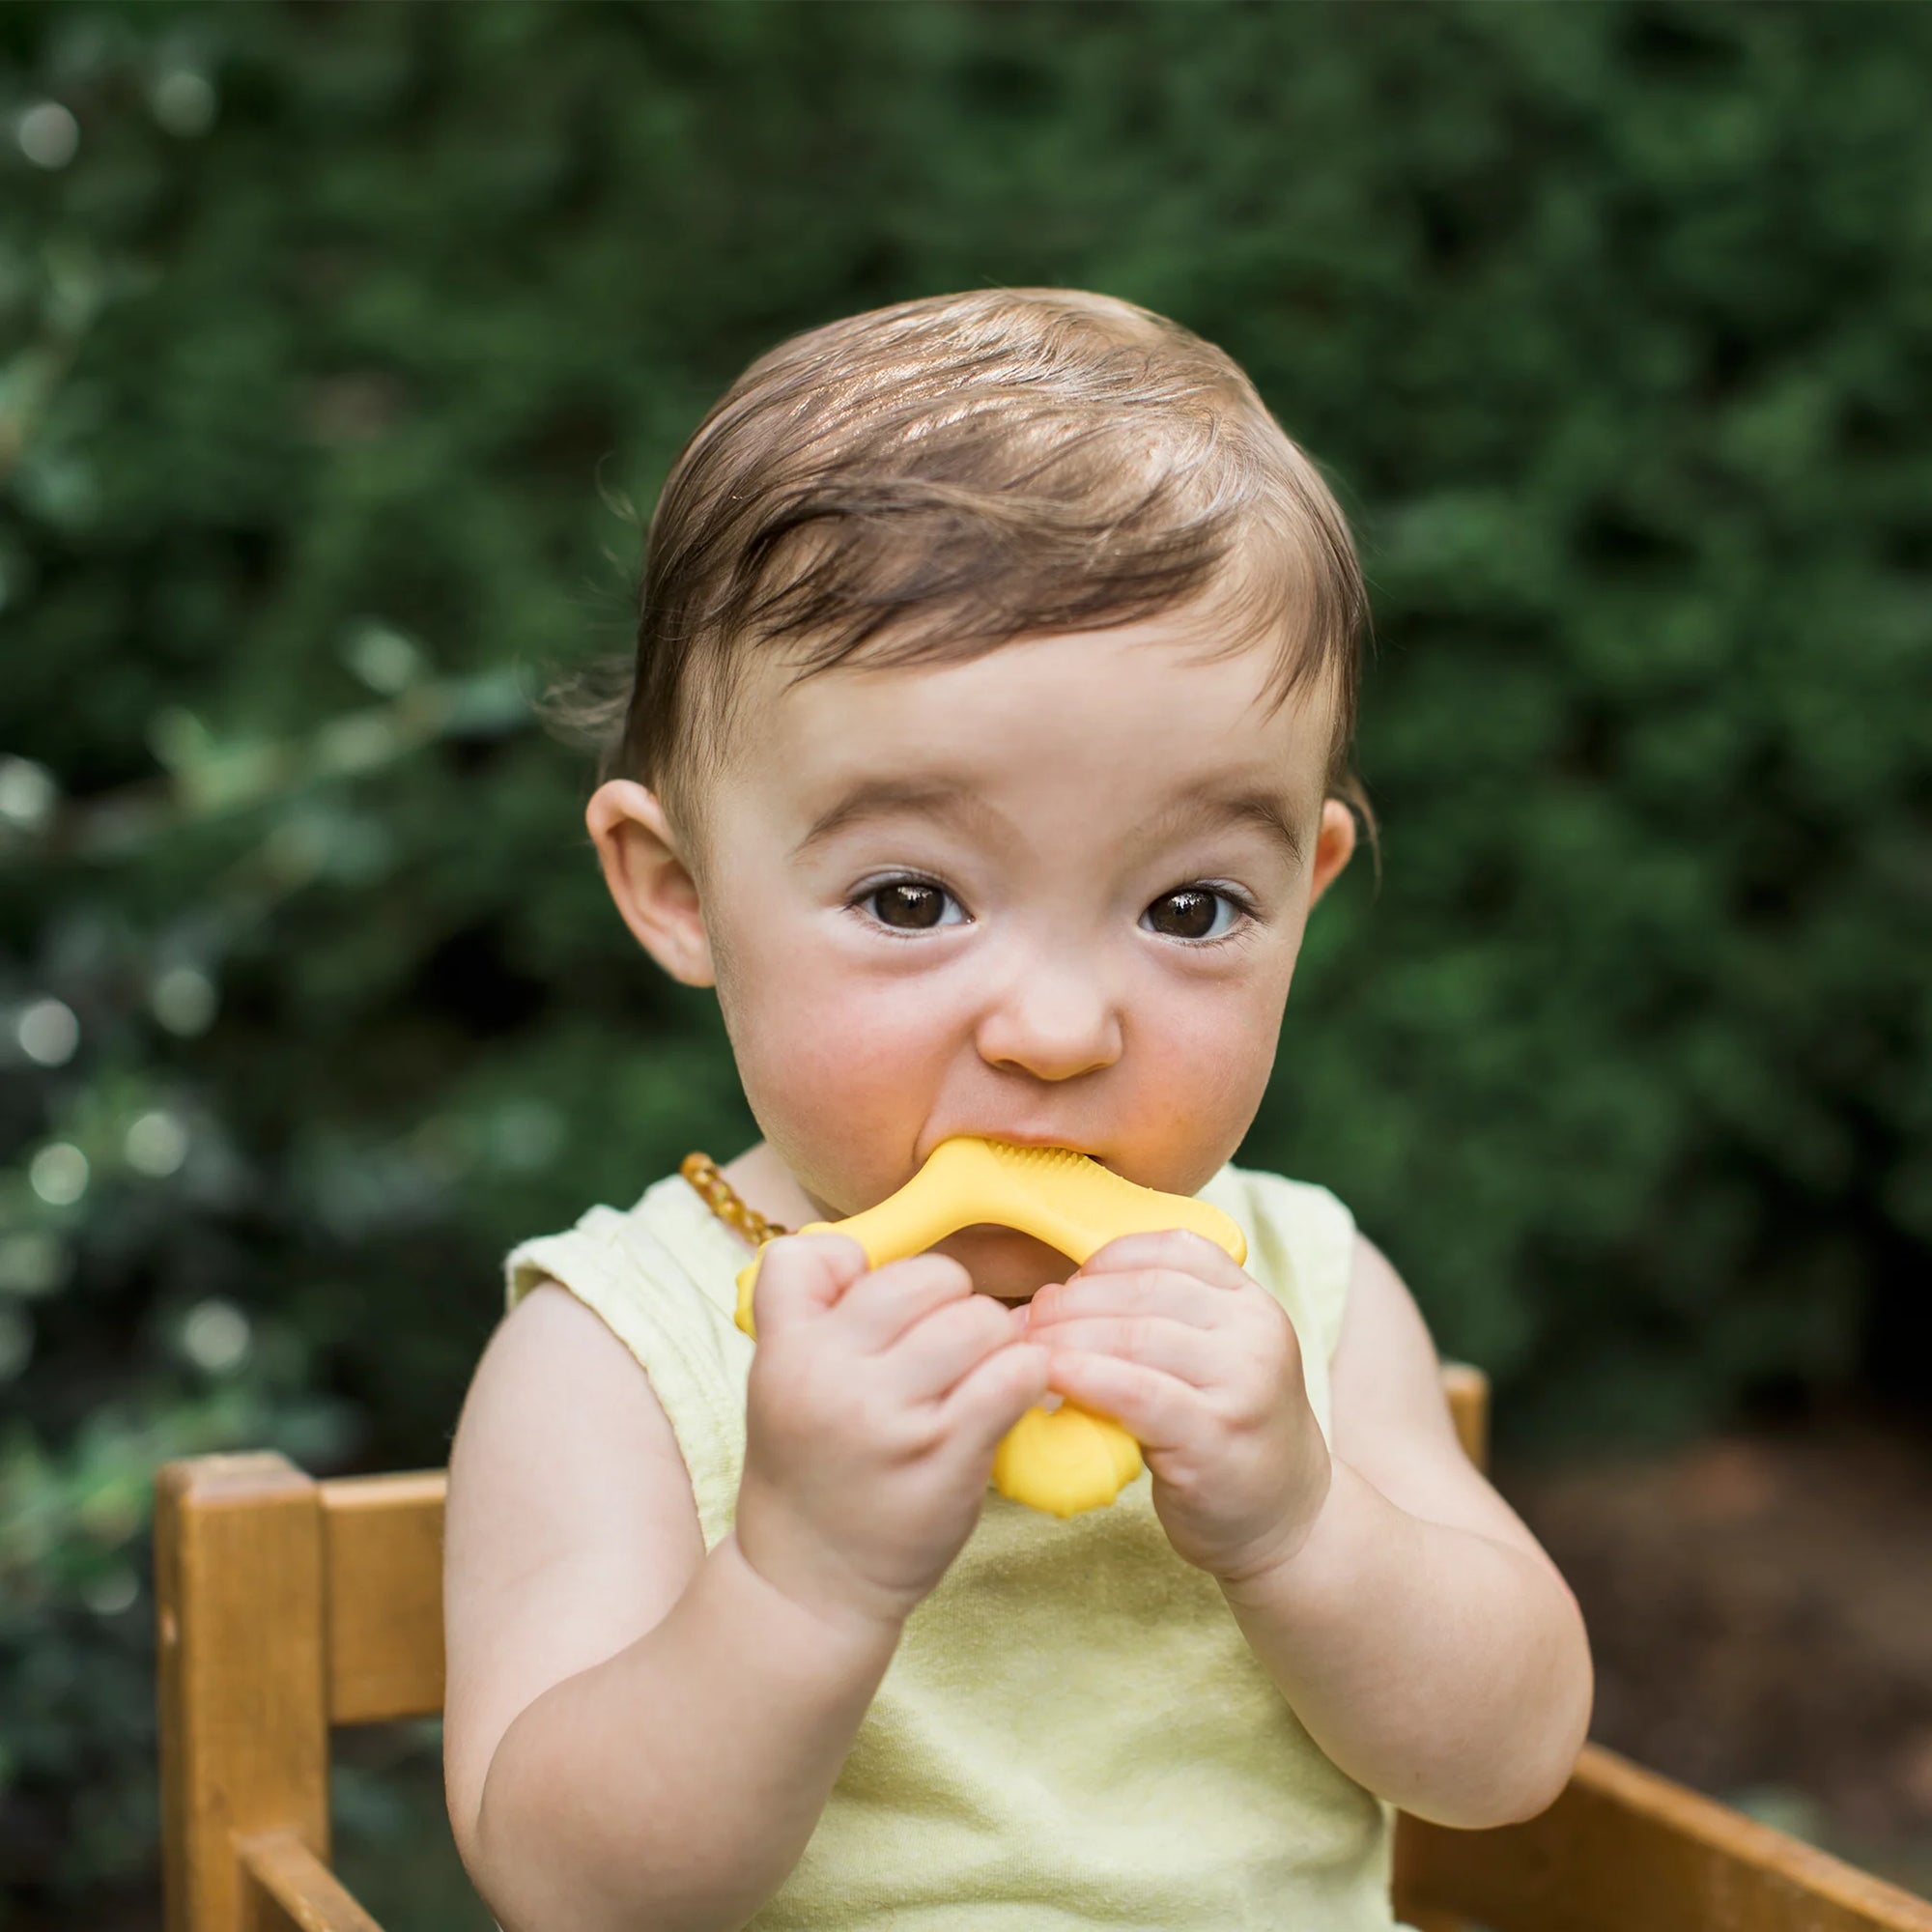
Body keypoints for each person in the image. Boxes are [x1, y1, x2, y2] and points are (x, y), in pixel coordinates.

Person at [440, 288, 1593, 1932]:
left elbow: (1510, 1754)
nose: (1060, 1028)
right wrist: (800, 1580)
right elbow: (568, 1886)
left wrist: (1300, 1526)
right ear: (680, 889)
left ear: (1306, 892)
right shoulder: (623, 1352)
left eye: (1191, 909)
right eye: (912, 898)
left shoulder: (1304, 1292)